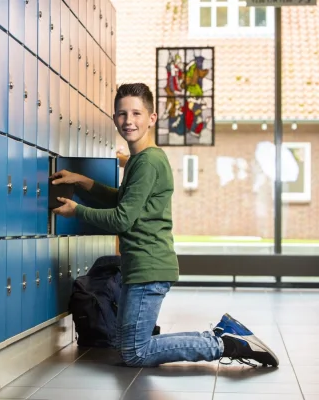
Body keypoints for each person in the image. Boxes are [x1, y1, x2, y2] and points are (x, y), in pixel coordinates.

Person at [50, 83, 279, 368]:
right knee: (128, 347)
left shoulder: (147, 162)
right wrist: (83, 181)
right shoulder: (140, 159)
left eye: (136, 113)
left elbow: (122, 218)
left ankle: (225, 343)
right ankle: (224, 336)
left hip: (149, 266)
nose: (128, 121)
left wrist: (77, 210)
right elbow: (123, 199)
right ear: (114, 118)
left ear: (152, 118)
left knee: (135, 352)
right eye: (122, 114)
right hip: (143, 266)